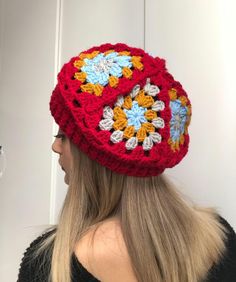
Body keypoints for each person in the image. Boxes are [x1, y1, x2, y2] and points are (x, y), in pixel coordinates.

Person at [17, 42, 236, 282]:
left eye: (64, 136)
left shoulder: (47, 265)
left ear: (95, 157)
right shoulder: (218, 237)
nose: (55, 146)